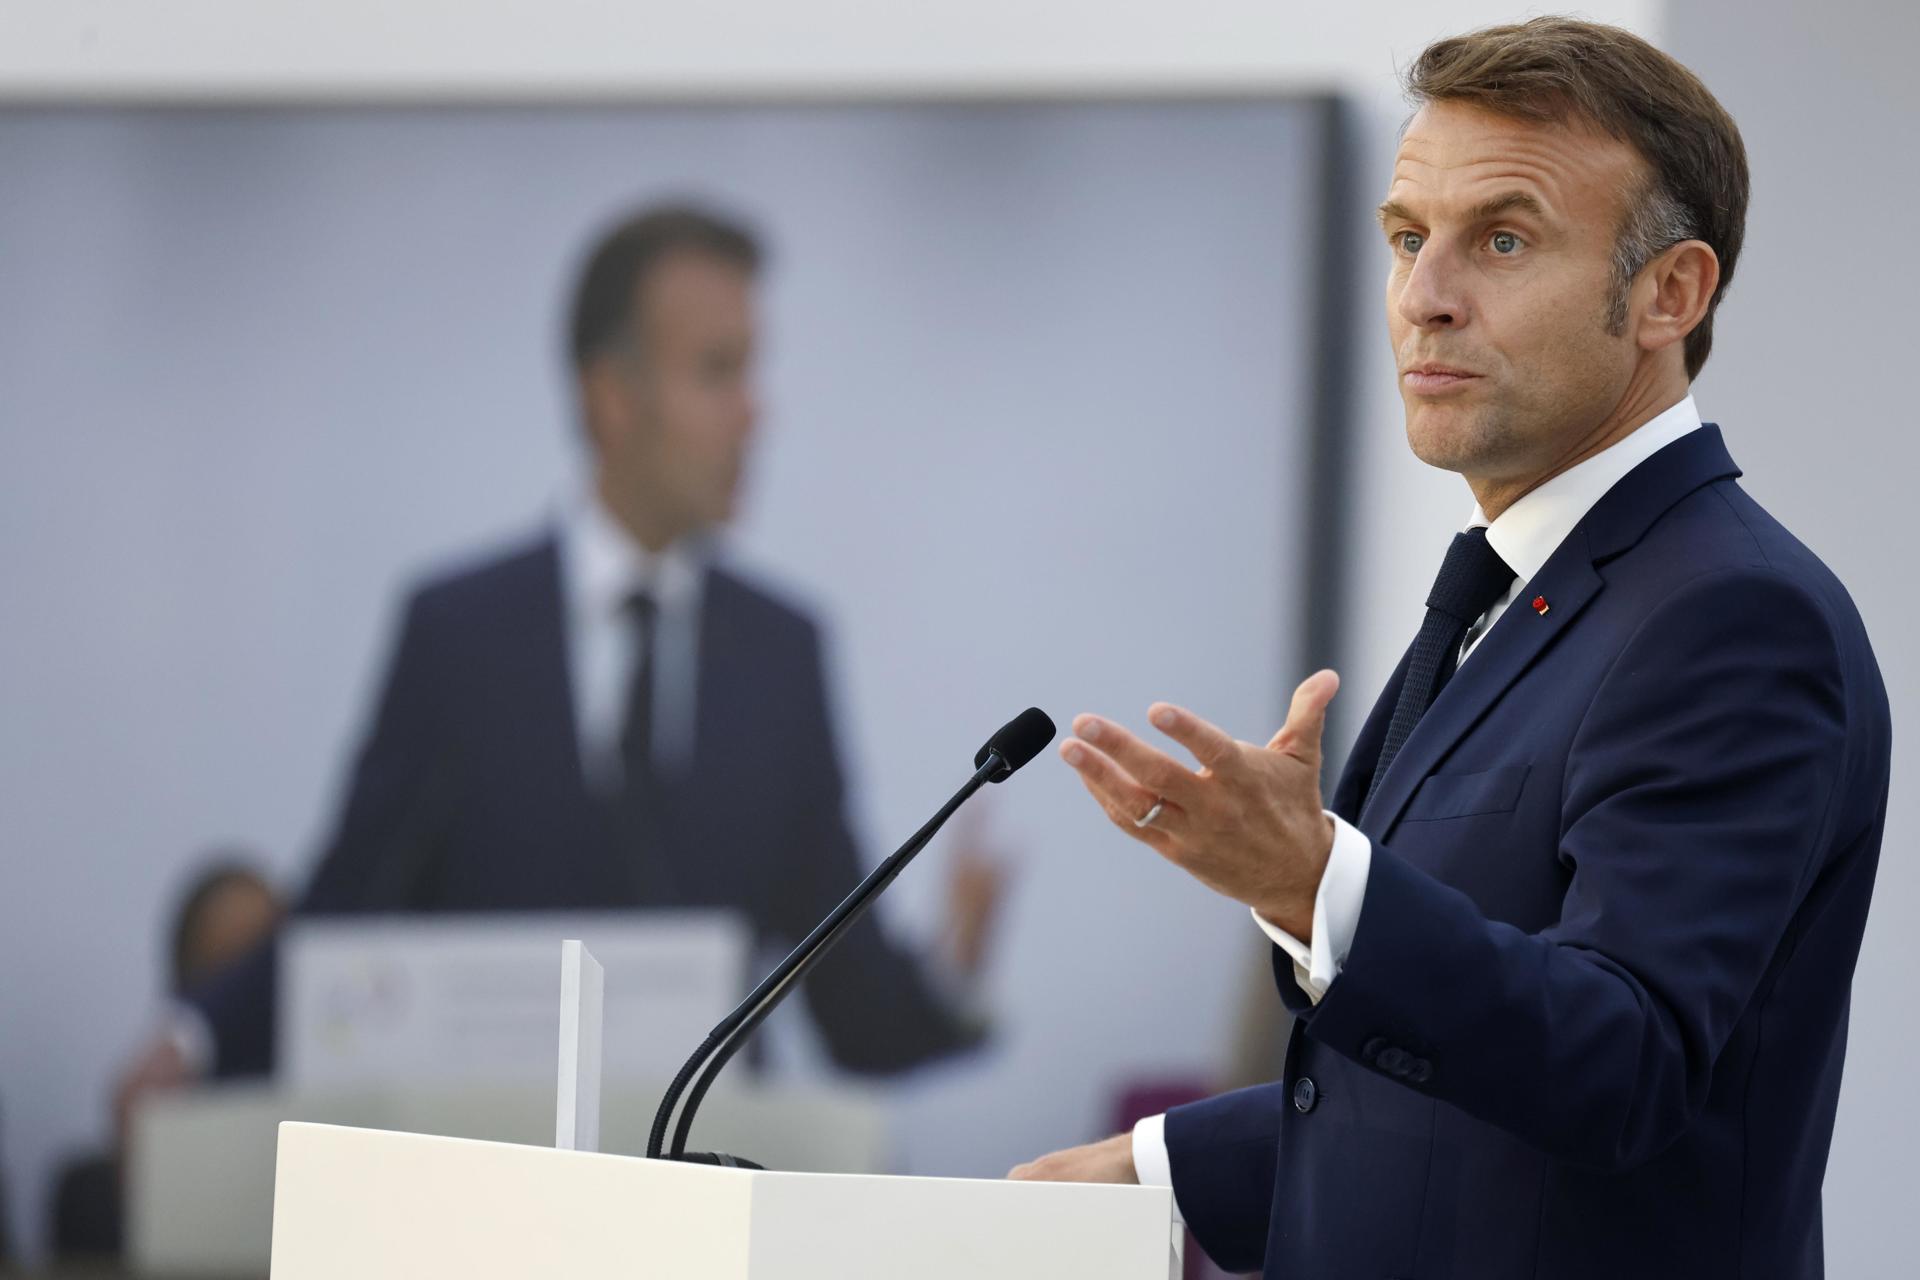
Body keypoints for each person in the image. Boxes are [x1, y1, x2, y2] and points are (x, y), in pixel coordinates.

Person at [1011, 18, 1888, 1280]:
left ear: (1668, 294)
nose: (1425, 295)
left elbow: (1621, 1064)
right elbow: (1464, 1111)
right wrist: (1152, 1165)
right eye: (1409, 238)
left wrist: (1319, 883)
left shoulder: (1732, 617)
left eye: (1505, 238)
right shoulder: (1521, 596)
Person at [119, 204, 1001, 1101]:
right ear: (611, 397)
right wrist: (191, 1041)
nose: (754, 411)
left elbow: (848, 998)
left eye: (754, 368)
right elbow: (347, 907)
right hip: (492, 1180)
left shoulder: (782, 655)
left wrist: (953, 970)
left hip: (702, 1187)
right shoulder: (458, 635)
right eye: (717, 371)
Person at [60, 859, 284, 1262]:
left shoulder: (317, 1158)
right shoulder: (95, 1196)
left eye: (258, 974)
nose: (247, 1006)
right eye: (229, 971)